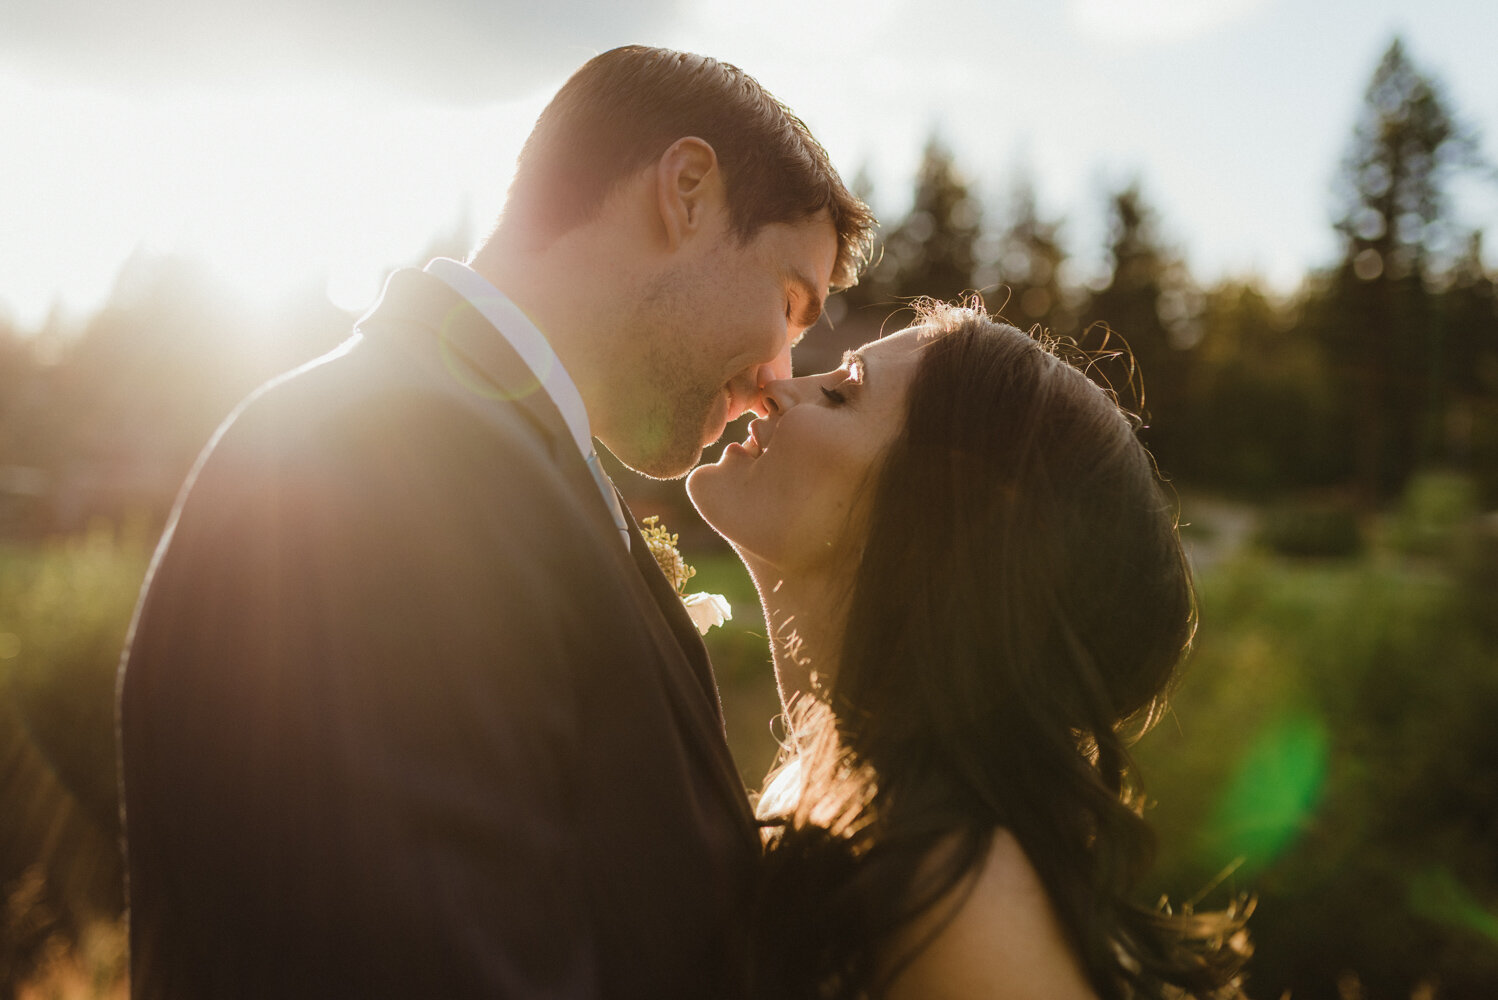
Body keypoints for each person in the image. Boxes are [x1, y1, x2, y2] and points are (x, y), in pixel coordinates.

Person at [117, 45, 874, 999]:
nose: (777, 378)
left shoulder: (482, 455)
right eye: (791, 302)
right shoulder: (410, 463)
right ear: (685, 190)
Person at [687, 301, 1252, 999]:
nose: (779, 385)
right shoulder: (848, 815)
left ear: (943, 521)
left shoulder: (961, 898)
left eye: (841, 392)